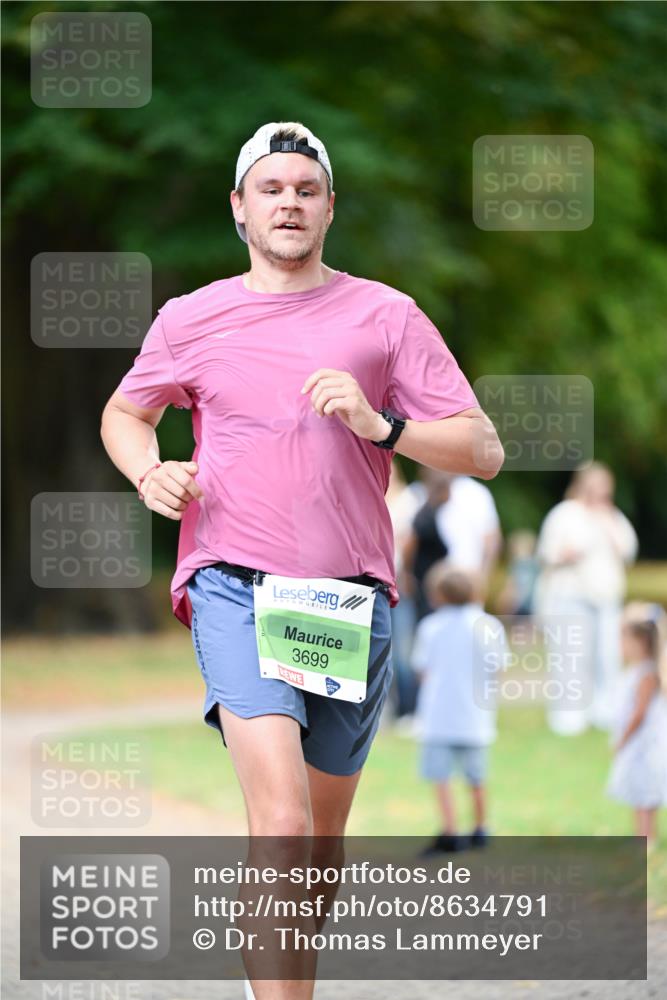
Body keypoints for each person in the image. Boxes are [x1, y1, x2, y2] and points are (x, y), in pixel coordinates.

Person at [100, 121, 504, 1000]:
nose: (289, 202)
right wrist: (149, 472)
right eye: (271, 189)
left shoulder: (384, 315)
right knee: (279, 823)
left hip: (348, 600)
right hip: (234, 585)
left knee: (317, 850)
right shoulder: (191, 318)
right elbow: (125, 414)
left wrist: (381, 425)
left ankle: (268, 974)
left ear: (328, 208)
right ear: (240, 208)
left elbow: (482, 449)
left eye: (306, 189)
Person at [411, 563, 508, 854]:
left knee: (441, 777)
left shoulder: (431, 626)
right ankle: (480, 827)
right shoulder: (489, 625)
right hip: (475, 717)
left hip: (439, 716)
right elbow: (498, 666)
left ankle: (450, 830)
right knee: (476, 776)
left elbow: (421, 669)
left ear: (437, 594)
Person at [534, 462, 638, 735]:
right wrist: (566, 554)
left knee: (606, 654)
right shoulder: (565, 514)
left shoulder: (612, 516)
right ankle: (568, 717)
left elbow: (628, 549)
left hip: (604, 597)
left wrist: (609, 525)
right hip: (571, 595)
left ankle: (604, 710)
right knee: (570, 655)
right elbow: (547, 553)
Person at [606, 604, 667, 850]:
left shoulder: (648, 674)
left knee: (645, 792)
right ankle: (640, 837)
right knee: (636, 791)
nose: (620, 645)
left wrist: (623, 739)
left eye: (624, 638)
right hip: (637, 745)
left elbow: (639, 713)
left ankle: (646, 838)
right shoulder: (634, 671)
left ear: (641, 641)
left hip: (644, 745)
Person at [434, 474, 502, 601]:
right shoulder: (478, 492)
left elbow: (491, 540)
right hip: (459, 573)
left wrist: (483, 577)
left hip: (464, 574)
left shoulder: (474, 493)